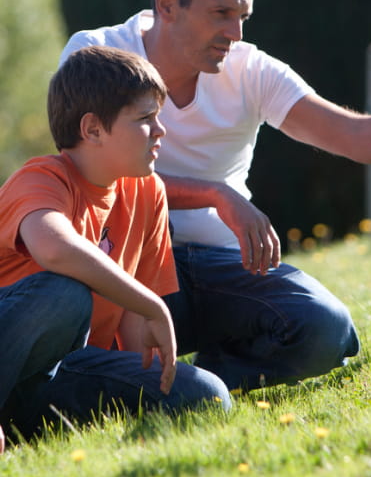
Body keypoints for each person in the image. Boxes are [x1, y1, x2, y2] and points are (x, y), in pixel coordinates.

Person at [61, 0, 371, 392]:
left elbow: (351, 134)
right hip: (126, 262)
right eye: (221, 13)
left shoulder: (252, 69)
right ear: (166, 5)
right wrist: (214, 194)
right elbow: (87, 171)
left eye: (243, 17)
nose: (236, 34)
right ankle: (155, 381)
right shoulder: (96, 55)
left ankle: (195, 384)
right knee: (76, 332)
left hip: (221, 264)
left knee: (325, 329)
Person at [0, 46, 230, 445]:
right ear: (92, 130)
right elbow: (53, 248)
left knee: (206, 394)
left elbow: (133, 335)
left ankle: (19, 429)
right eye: (145, 119)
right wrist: (152, 304)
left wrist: (149, 381)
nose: (160, 131)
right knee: (65, 294)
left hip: (61, 374)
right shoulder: (41, 178)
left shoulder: (147, 191)